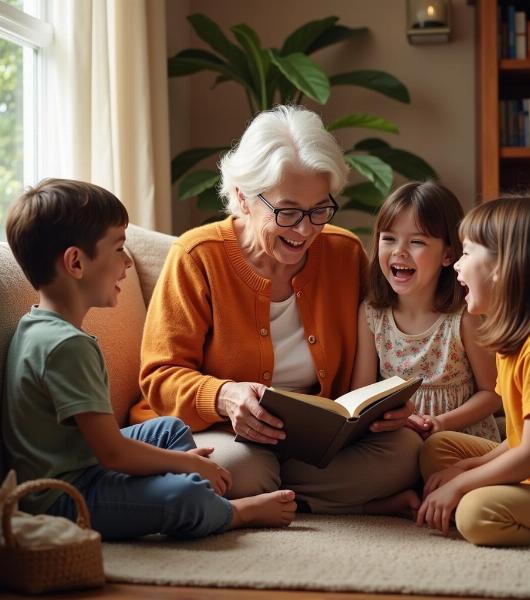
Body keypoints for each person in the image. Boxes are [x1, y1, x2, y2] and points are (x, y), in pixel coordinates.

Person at [131, 105, 421, 515]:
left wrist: (388, 405)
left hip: (319, 442)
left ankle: (276, 499)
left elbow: (378, 346)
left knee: (406, 451)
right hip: (227, 433)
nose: (305, 230)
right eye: (287, 212)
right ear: (242, 198)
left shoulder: (344, 252)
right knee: (239, 469)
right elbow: (159, 377)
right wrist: (224, 396)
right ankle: (327, 500)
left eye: (319, 209)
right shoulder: (197, 257)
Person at [2, 178, 296, 540]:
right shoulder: (66, 346)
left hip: (84, 462)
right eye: (119, 248)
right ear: (75, 262)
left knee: (169, 428)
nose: (128, 262)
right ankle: (230, 513)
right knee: (182, 494)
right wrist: (185, 463)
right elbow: (113, 454)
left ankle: (181, 496)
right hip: (64, 497)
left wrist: (182, 462)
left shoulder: (36, 325)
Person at [417, 195, 530, 546]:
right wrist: (468, 467)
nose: (455, 264)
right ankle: (491, 495)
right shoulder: (514, 341)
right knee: (439, 450)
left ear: (504, 267)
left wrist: (461, 485)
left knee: (475, 513)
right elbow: (517, 439)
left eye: (467, 253)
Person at [352, 181, 502, 443]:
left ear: (448, 254)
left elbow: (493, 393)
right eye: (388, 239)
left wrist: (440, 423)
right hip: (396, 440)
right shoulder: (372, 314)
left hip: (459, 439)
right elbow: (361, 394)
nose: (399, 250)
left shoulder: (463, 317)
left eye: (417, 241)